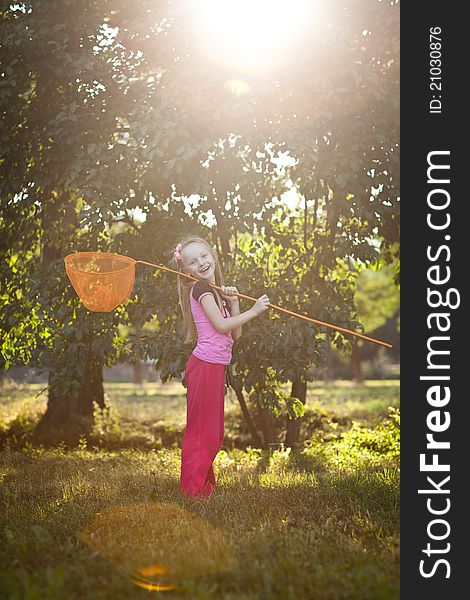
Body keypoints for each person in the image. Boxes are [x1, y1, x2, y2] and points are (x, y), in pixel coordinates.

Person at [171, 235, 270, 498]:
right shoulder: (201, 290)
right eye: (193, 261)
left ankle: (202, 486)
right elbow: (221, 326)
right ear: (186, 269)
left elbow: (235, 335)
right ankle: (192, 491)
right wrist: (255, 310)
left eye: (204, 256)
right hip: (204, 366)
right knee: (203, 432)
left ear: (212, 255)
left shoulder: (215, 291)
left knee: (212, 432)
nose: (201, 263)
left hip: (214, 367)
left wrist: (235, 302)